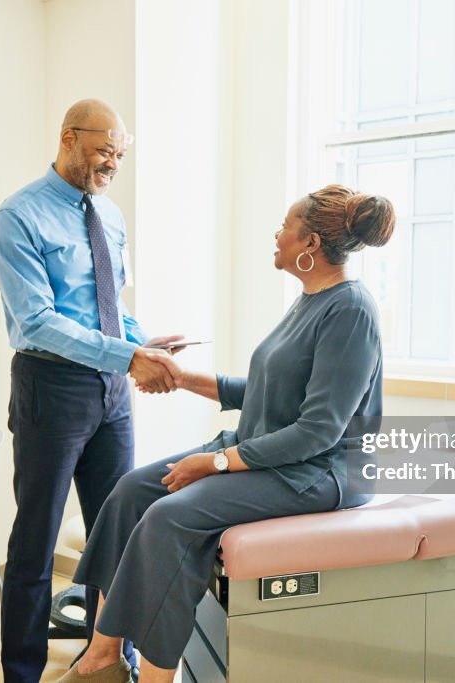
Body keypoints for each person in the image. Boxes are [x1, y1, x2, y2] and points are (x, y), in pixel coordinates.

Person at [56, 184, 396, 683]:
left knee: (170, 518)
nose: (276, 235)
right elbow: (261, 389)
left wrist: (215, 463)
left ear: (310, 245)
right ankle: (105, 655)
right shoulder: (310, 300)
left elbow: (319, 432)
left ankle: (155, 678)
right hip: (272, 451)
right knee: (130, 492)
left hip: (322, 472)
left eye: (285, 226)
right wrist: (176, 374)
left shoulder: (351, 311)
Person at [0, 98, 181, 683]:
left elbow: (107, 306)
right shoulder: (18, 216)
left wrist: (144, 343)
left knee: (117, 531)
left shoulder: (111, 216)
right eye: (103, 150)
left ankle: (108, 658)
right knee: (36, 539)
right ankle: (21, 672)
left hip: (112, 390)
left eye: (120, 154)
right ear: (69, 138)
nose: (112, 163)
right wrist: (128, 355)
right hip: (50, 388)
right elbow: (38, 321)